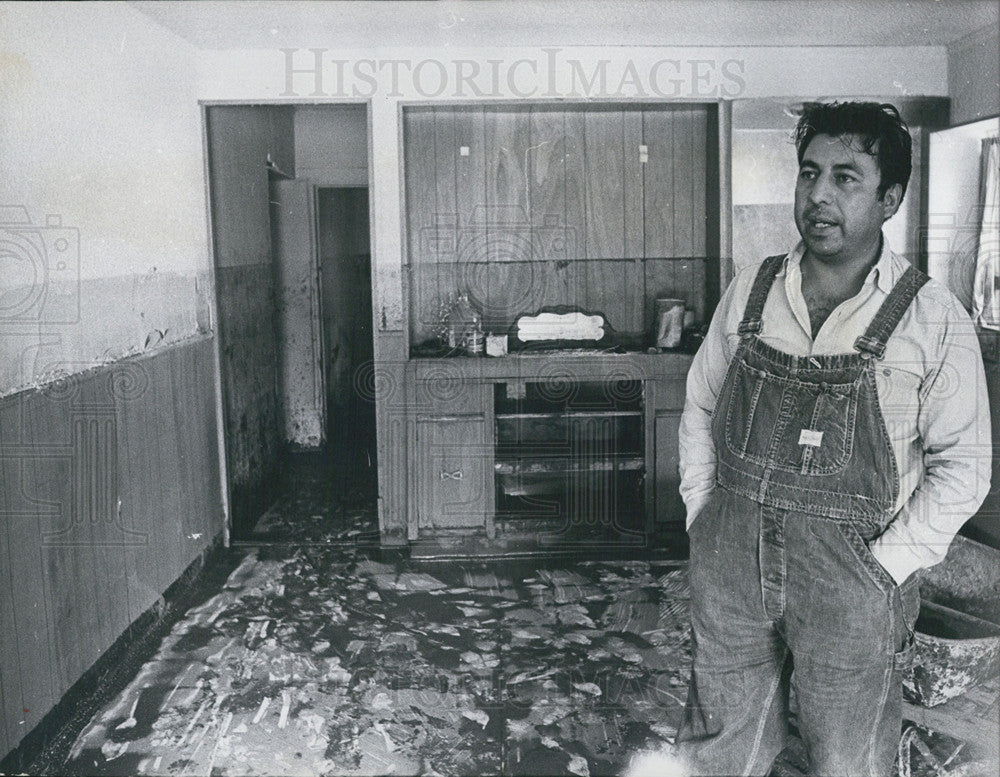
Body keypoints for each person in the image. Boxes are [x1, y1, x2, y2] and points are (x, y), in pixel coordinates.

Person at [675, 102, 991, 776]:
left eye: (846, 177)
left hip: (854, 578)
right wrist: (705, 517)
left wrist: (885, 566)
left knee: (847, 760)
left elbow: (963, 466)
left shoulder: (934, 316)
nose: (818, 194)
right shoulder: (750, 293)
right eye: (809, 172)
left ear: (891, 198)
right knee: (718, 748)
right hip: (730, 558)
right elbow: (700, 405)